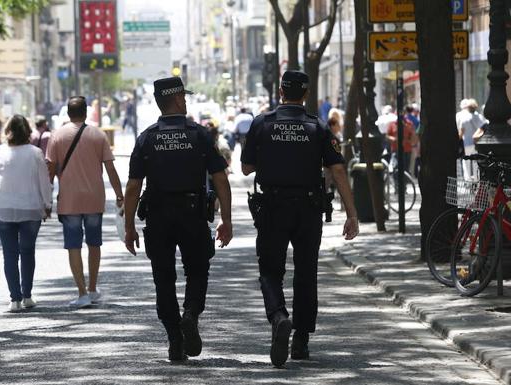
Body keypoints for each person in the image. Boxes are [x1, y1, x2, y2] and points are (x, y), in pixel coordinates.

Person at [241, 70, 359, 368]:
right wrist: (352, 213)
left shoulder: (262, 123)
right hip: (308, 208)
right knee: (306, 272)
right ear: (305, 94)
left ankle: (279, 316)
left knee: (270, 270)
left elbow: (245, 168)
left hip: (273, 206)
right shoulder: (318, 128)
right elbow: (339, 170)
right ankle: (301, 342)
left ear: (281, 91)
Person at [123, 77, 233, 362]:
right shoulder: (198, 135)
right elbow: (220, 178)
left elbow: (133, 186)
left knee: (163, 279)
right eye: (184, 97)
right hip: (192, 213)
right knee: (198, 270)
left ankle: (175, 338)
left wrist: (129, 228)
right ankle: (191, 314)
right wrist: (227, 220)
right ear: (178, 100)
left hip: (158, 216)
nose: (186, 101)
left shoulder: (147, 137)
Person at [46, 96, 125, 308]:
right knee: (94, 243)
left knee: (73, 245)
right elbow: (110, 169)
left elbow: (50, 171)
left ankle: (81, 292)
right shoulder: (98, 135)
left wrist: (46, 200)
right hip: (94, 198)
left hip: (69, 200)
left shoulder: (57, 136)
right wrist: (119, 195)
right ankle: (92, 288)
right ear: (85, 112)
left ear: (68, 112)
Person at [0, 115, 52, 312]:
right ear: (28, 131)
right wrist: (48, 204)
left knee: (9, 254)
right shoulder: (36, 153)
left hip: (3, 208)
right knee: (28, 252)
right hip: (30, 208)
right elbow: (44, 182)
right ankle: (27, 295)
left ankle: (14, 299)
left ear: (7, 131)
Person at [456, 98, 487, 180]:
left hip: (467, 143)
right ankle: (477, 178)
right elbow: (485, 127)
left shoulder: (464, 118)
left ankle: (468, 180)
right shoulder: (479, 117)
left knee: (466, 162)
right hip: (477, 143)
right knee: (476, 162)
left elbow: (461, 132)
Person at [386, 111, 418, 177]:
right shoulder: (392, 124)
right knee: (396, 166)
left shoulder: (409, 124)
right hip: (396, 149)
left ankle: (404, 184)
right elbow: (387, 136)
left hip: (407, 150)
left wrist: (409, 139)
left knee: (405, 168)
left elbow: (413, 136)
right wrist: (393, 139)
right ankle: (396, 182)